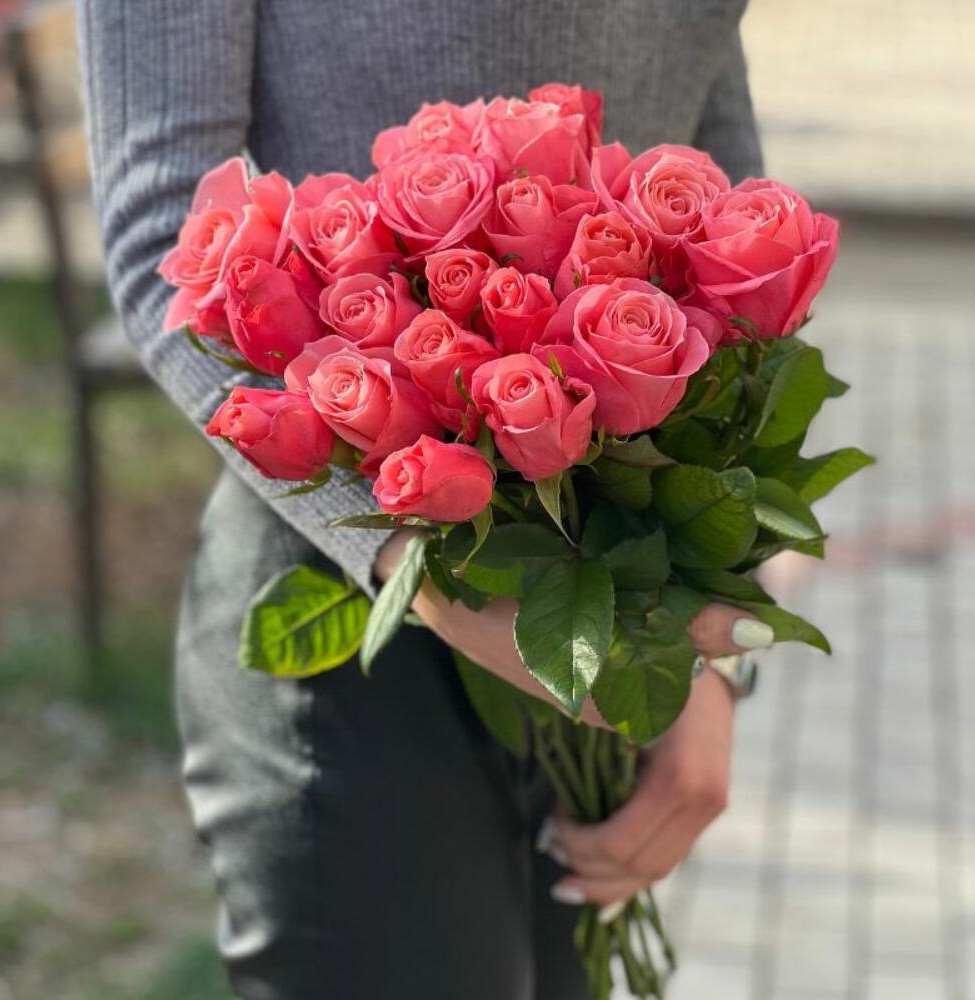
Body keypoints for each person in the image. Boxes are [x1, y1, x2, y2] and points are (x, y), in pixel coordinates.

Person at [77, 2, 769, 997]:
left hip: (611, 578)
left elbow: (721, 180)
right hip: (349, 611)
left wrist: (711, 650)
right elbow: (161, 229)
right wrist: (431, 574)